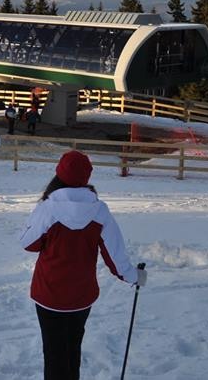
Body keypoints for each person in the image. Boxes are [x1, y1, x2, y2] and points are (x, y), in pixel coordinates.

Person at [19, 150, 146, 380]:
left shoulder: (48, 208)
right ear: (87, 177)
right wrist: (133, 277)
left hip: (49, 294)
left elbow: (28, 244)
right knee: (72, 350)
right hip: (81, 296)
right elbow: (115, 255)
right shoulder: (99, 211)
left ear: (59, 174)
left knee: (54, 354)